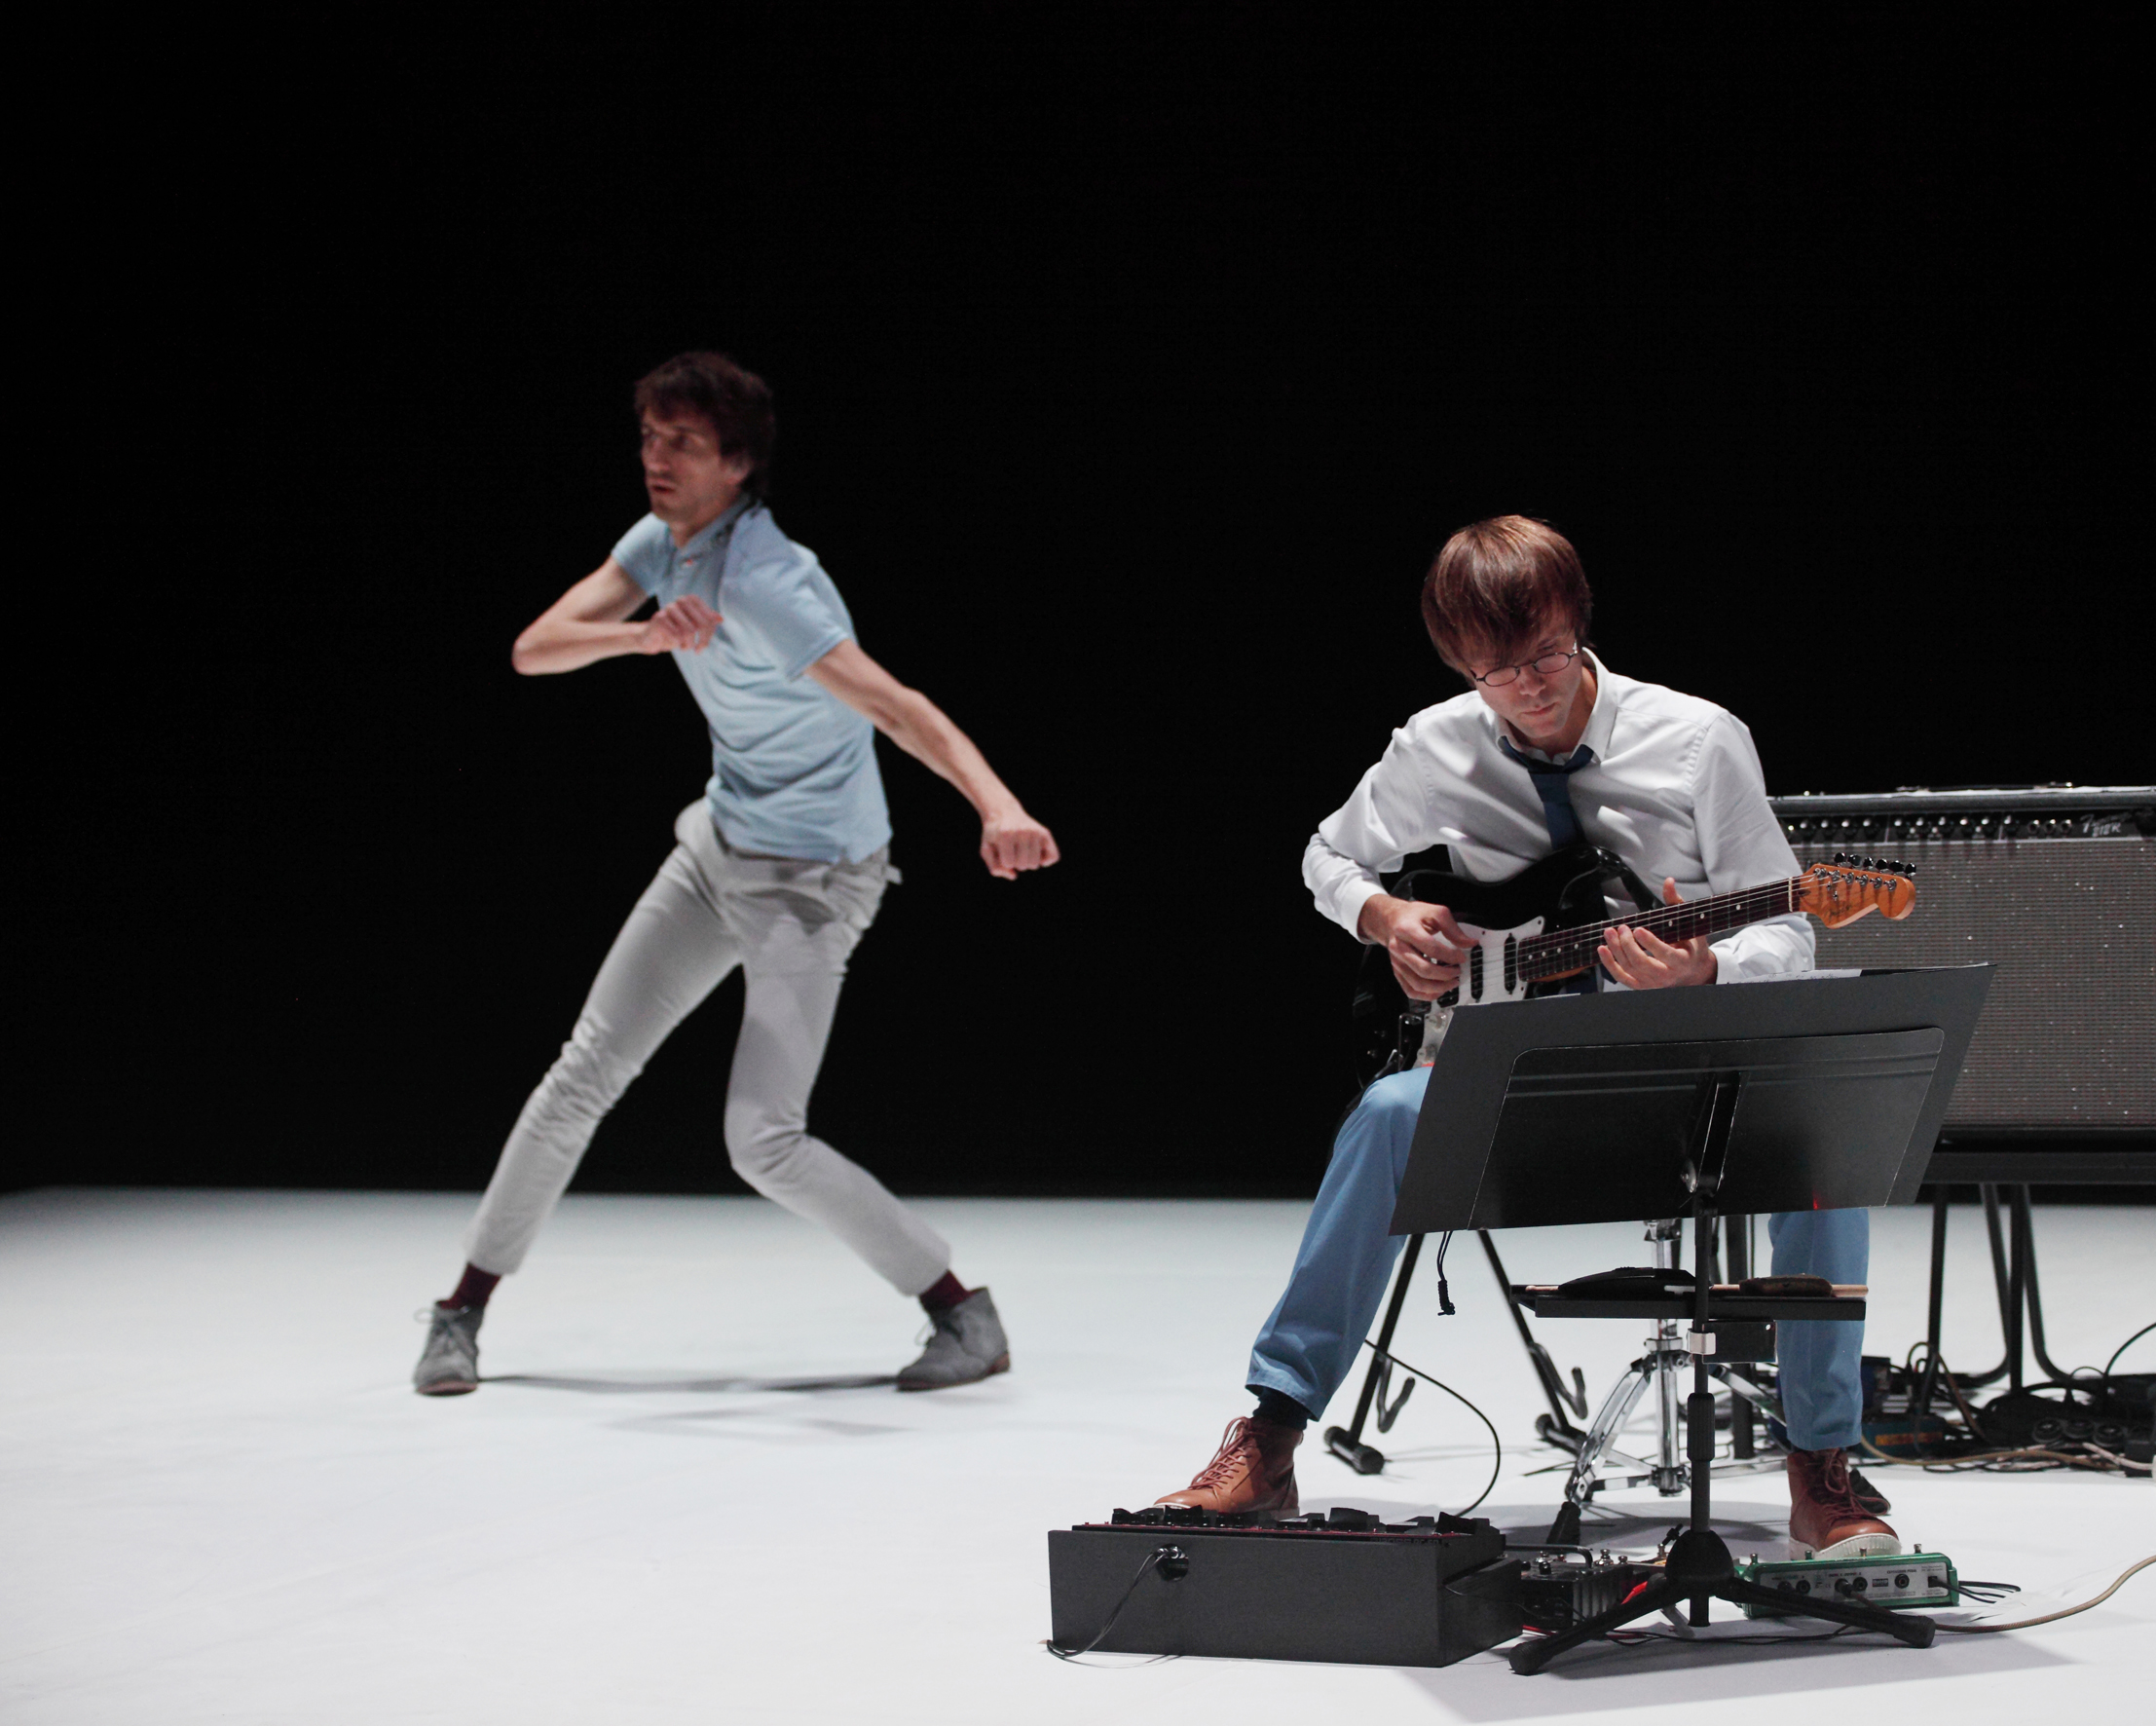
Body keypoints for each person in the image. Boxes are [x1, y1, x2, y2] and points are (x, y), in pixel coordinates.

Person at [1146, 515, 1897, 1559]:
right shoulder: (1432, 746)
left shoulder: (1697, 738)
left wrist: (1709, 969)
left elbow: (1788, 928)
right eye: (1495, 672)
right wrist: (1384, 917)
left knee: (1825, 1145)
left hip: (1685, 1081)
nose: (1530, 689)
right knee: (1386, 1113)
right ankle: (1270, 1438)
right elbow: (1327, 855)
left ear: (1578, 623)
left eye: (1545, 654)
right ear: (1461, 664)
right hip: (1518, 1080)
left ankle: (1821, 1462)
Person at [413, 353, 1059, 1398]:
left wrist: (997, 804)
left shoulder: (768, 582)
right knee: (583, 1071)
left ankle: (961, 1310)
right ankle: (461, 1311)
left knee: (762, 1140)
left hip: (814, 879)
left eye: (684, 443)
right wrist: (640, 637)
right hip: (720, 848)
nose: (657, 458)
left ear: (739, 465)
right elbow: (535, 648)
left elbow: (898, 707)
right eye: (650, 436)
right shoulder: (661, 545)